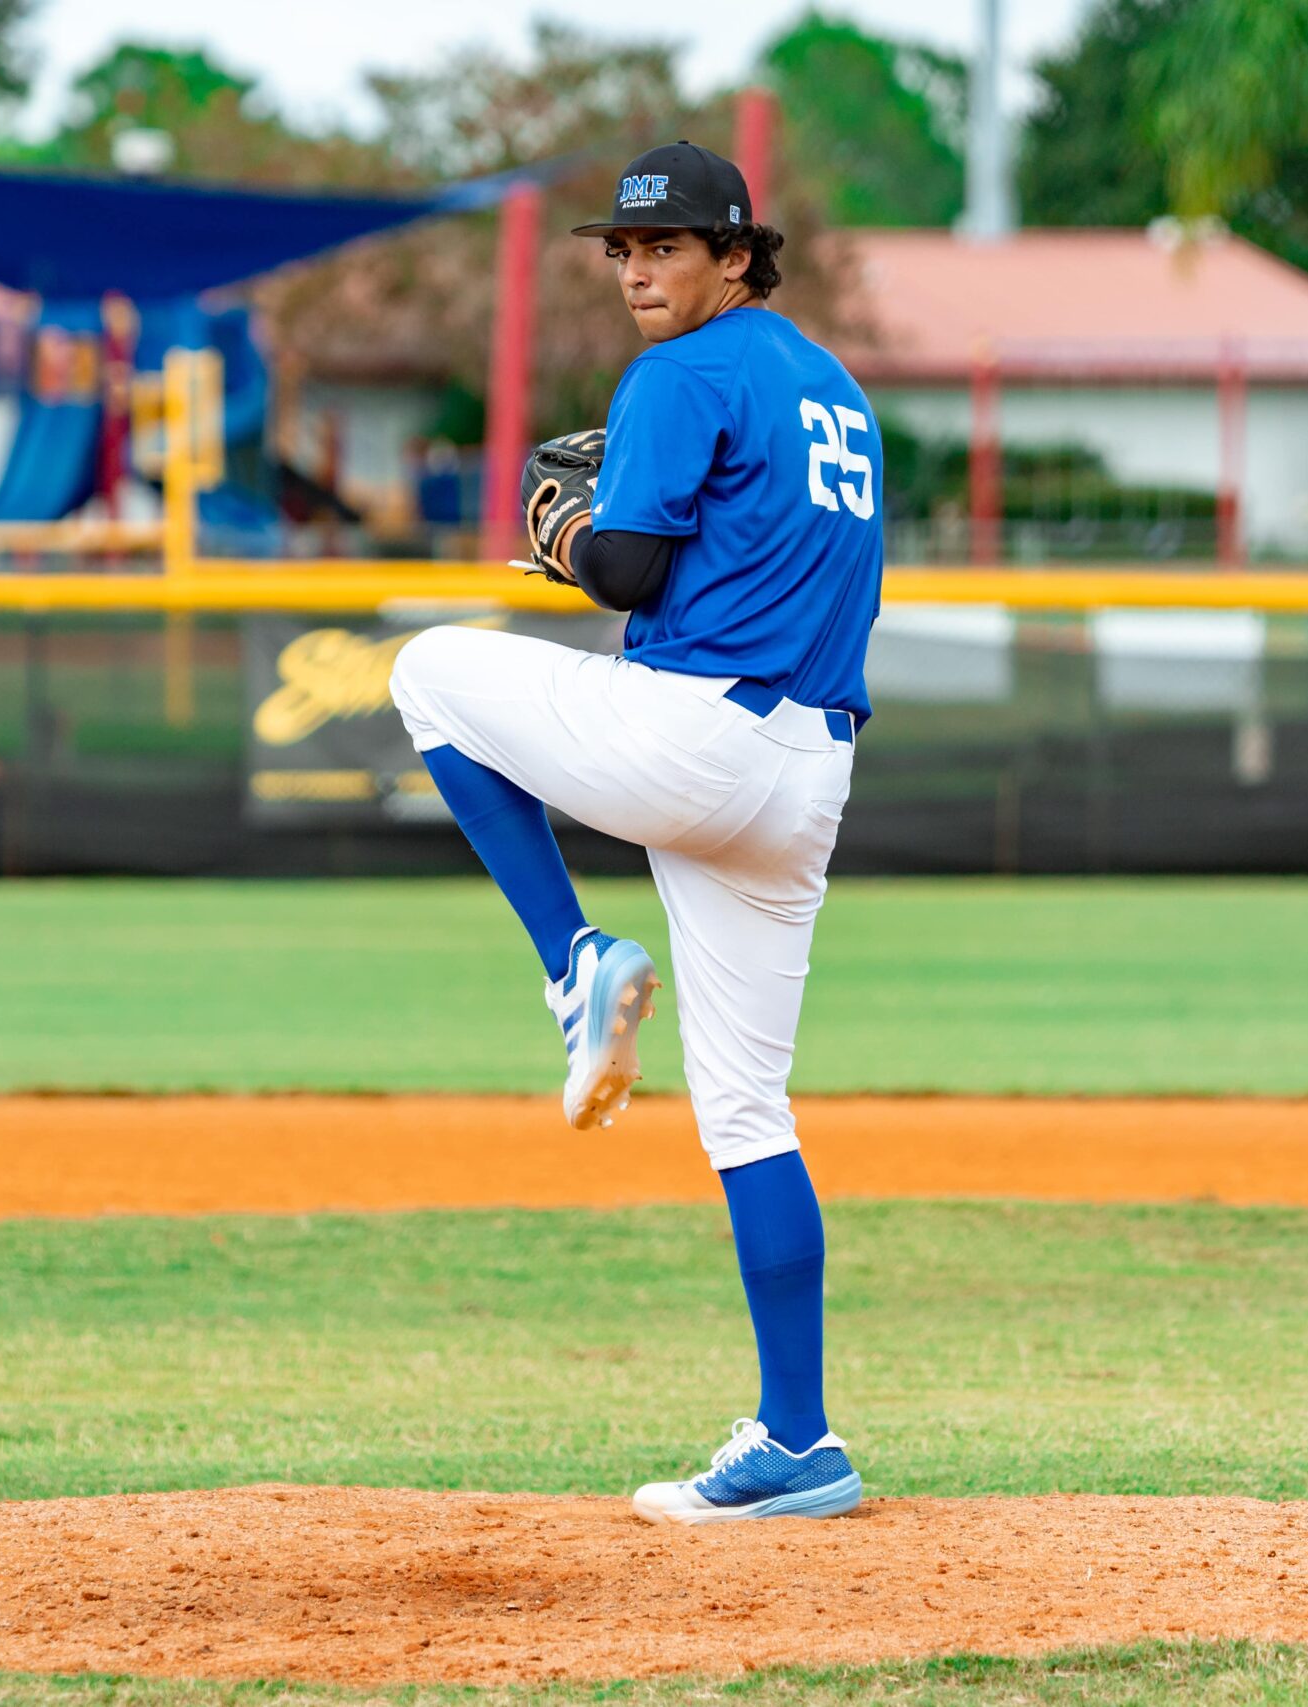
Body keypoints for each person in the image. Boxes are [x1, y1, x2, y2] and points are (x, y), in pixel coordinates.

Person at [387, 141, 884, 1525]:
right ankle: (800, 1442)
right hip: (808, 771)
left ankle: (573, 961)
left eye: (666, 247)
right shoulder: (835, 392)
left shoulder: (680, 374)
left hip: (699, 735)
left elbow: (625, 567)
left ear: (736, 256)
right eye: (623, 249)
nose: (637, 270)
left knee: (430, 673)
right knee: (748, 1110)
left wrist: (567, 542)